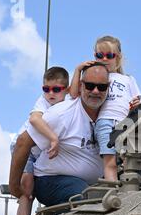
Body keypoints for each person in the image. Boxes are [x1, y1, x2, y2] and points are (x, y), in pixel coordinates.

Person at [9, 63, 109, 207]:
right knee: (84, 195)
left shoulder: (111, 114)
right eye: (89, 85)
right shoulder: (61, 114)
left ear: (108, 87)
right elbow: (22, 142)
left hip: (94, 182)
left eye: (101, 87)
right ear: (81, 85)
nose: (95, 91)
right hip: (51, 180)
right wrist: (14, 187)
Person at [70, 35, 141, 181]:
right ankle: (112, 190)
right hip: (104, 121)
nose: (104, 59)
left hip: (126, 121)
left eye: (109, 55)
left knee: (131, 160)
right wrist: (78, 70)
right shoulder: (94, 77)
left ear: (118, 57)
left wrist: (136, 104)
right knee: (110, 163)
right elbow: (73, 94)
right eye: (99, 55)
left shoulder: (128, 79)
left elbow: (138, 101)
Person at [10, 66, 70, 215]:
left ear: (67, 89)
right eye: (46, 89)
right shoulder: (42, 101)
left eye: (56, 89)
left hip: (41, 151)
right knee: (27, 187)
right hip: (26, 148)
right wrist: (53, 138)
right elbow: (34, 120)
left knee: (34, 188)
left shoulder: (69, 103)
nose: (50, 93)